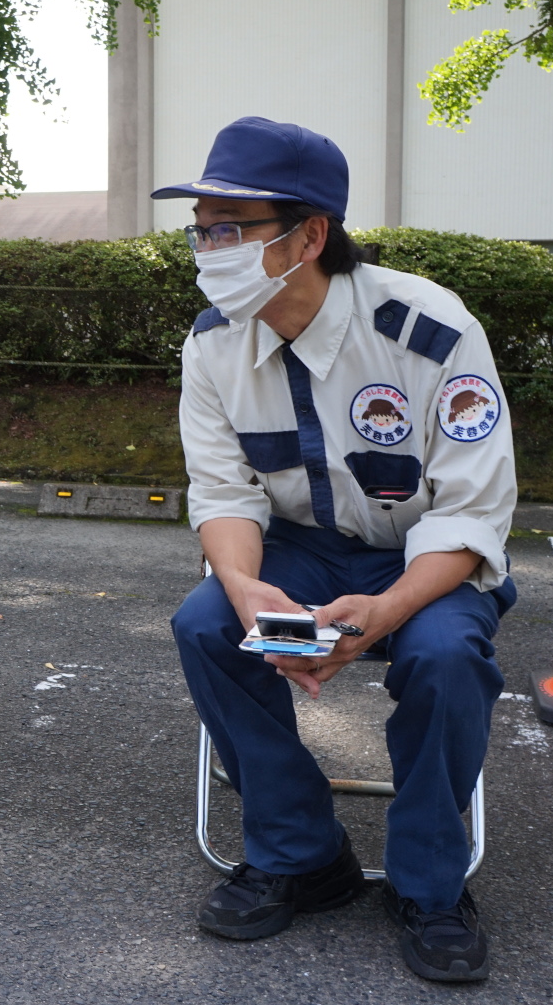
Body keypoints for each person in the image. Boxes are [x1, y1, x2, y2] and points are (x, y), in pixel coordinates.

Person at [159, 117, 516, 983]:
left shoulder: (430, 329)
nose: (209, 248)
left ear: (310, 235)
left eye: (231, 227)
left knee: (446, 654)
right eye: (201, 227)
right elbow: (224, 491)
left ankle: (431, 885)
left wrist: (388, 611)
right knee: (207, 624)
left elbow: (473, 509)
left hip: (422, 560)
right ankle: (300, 854)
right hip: (300, 551)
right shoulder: (212, 344)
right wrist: (243, 584)